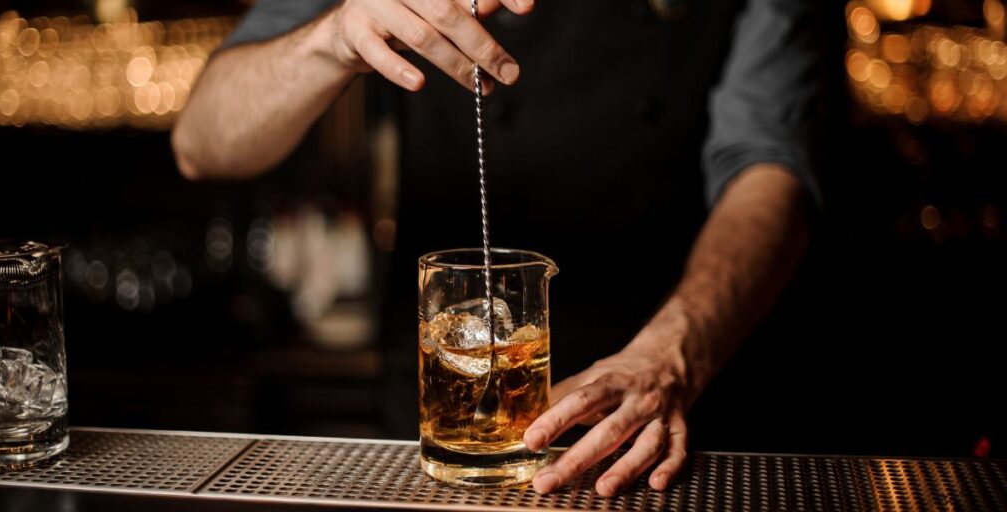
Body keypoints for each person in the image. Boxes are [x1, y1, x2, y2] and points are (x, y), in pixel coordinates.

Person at [172, 0, 818, 497]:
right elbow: (202, 142)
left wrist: (677, 352)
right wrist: (333, 38)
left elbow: (771, 164)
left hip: (666, 416)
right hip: (441, 438)